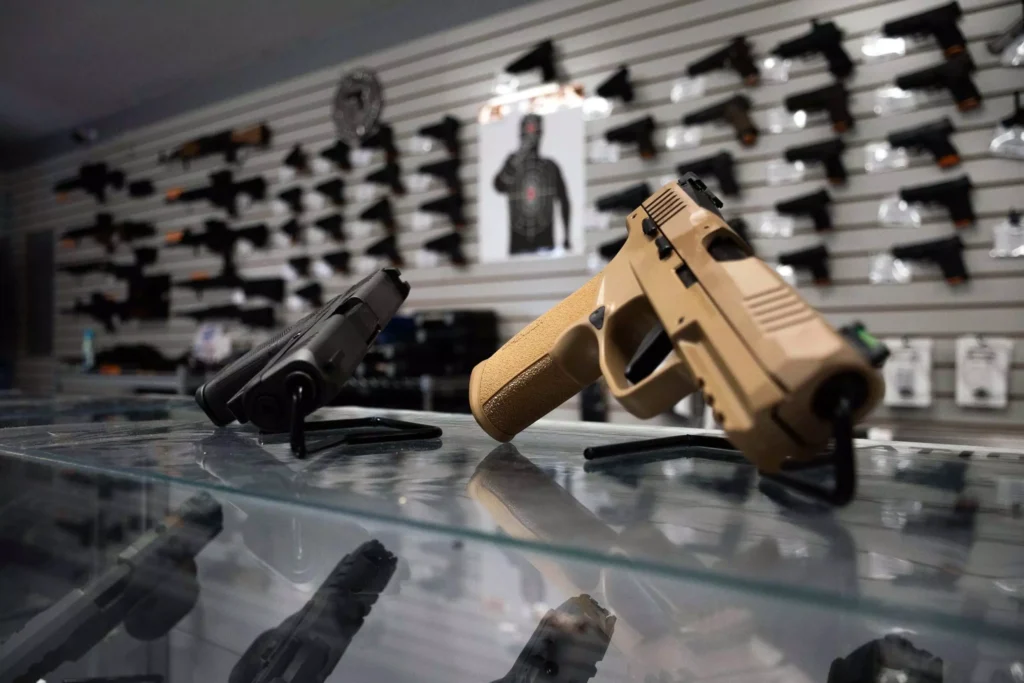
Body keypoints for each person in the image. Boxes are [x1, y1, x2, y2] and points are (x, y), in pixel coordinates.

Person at [493, 114, 571, 254]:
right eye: (527, 132)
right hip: (518, 242)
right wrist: (518, 157)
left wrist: (567, 236)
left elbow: (564, 201)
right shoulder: (512, 164)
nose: (531, 138)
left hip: (545, 240)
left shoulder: (550, 167)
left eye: (535, 132)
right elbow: (499, 185)